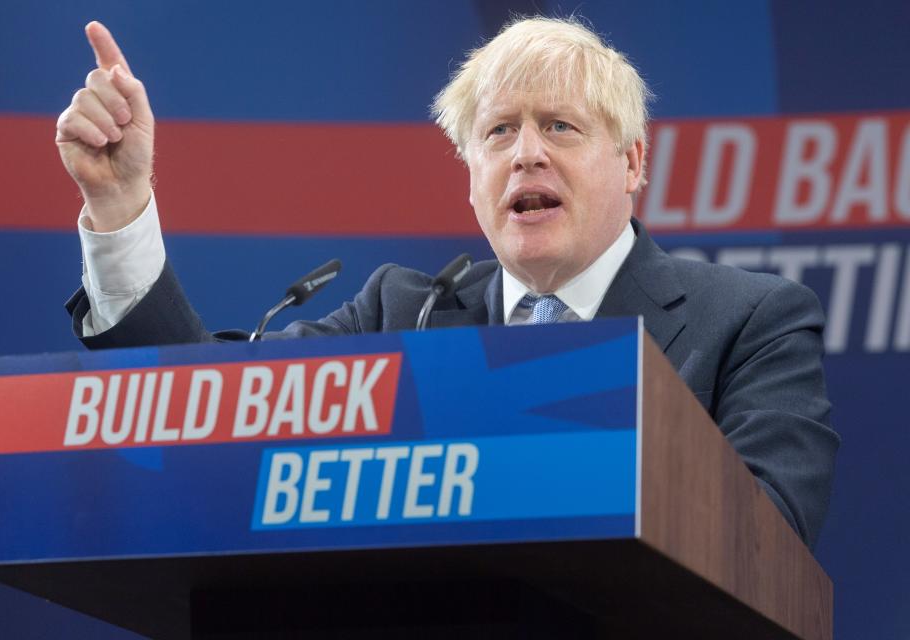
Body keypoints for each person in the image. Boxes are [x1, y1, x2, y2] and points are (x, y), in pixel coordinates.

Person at [56, 17, 839, 549]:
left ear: (633, 162)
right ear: (471, 175)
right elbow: (206, 421)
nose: (526, 153)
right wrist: (119, 205)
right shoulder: (403, 313)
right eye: (498, 132)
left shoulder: (749, 321)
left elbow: (763, 538)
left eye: (559, 126)